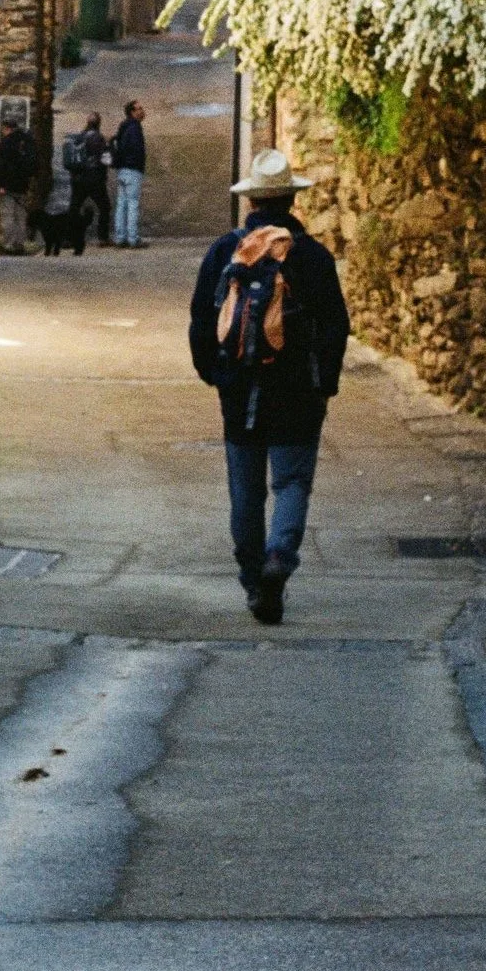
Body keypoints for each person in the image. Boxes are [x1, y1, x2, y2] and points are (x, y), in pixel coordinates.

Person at [189, 148, 350, 627]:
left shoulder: (226, 252)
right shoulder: (312, 256)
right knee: (292, 481)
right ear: (291, 201)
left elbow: (201, 318)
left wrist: (214, 374)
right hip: (297, 387)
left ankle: (255, 581)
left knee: (246, 490)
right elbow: (336, 325)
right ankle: (279, 557)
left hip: (239, 387)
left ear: (253, 200)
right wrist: (327, 385)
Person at [64, 109, 112, 247]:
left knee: (74, 207)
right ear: (99, 123)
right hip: (94, 179)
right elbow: (105, 159)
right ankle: (103, 238)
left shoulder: (79, 137)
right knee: (104, 207)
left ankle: (68, 238)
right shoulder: (97, 137)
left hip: (78, 178)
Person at [0, 115, 39, 254]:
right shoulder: (27, 140)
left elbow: (0, 165)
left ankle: (9, 243)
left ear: (6, 128)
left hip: (7, 185)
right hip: (23, 184)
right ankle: (20, 242)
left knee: (8, 214)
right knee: (20, 214)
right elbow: (35, 162)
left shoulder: (7, 142)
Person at [110, 98, 147, 247]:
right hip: (132, 170)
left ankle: (120, 237)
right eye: (139, 108)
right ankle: (132, 238)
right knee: (132, 204)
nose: (142, 111)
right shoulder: (135, 128)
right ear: (132, 112)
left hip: (123, 170)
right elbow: (136, 149)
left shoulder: (124, 127)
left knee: (121, 204)